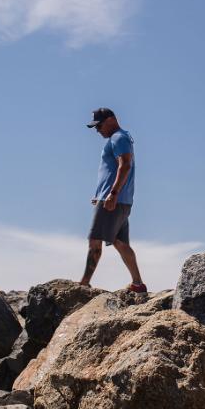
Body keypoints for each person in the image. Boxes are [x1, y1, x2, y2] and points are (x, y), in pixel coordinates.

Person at [80, 107, 146, 291]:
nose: (97, 130)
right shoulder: (120, 137)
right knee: (121, 242)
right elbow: (113, 170)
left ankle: (84, 284)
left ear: (111, 120)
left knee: (95, 240)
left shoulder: (118, 137)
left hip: (113, 200)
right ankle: (138, 284)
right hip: (118, 200)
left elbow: (124, 165)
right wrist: (102, 193)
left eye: (99, 125)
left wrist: (112, 194)